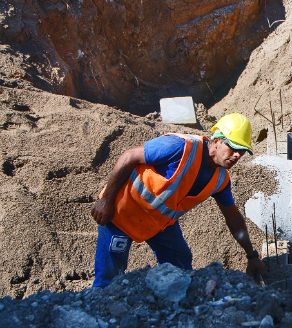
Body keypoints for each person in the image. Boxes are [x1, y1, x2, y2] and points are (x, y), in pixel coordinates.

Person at [91, 113, 265, 287]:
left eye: (241, 152)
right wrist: (106, 200)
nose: (236, 155)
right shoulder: (180, 147)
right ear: (218, 140)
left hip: (158, 224)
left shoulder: (220, 180)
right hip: (121, 213)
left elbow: (233, 217)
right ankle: (99, 308)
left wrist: (251, 255)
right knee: (109, 278)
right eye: (232, 148)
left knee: (180, 267)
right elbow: (129, 156)